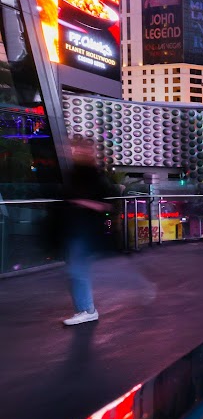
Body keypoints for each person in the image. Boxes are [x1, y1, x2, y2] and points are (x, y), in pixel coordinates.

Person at [60, 138, 113, 326]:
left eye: (79, 149)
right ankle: (86, 309)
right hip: (76, 229)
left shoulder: (94, 176)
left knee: (77, 270)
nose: (75, 152)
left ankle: (88, 310)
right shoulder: (76, 173)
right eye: (74, 149)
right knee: (75, 271)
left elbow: (105, 205)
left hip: (85, 231)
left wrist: (80, 202)